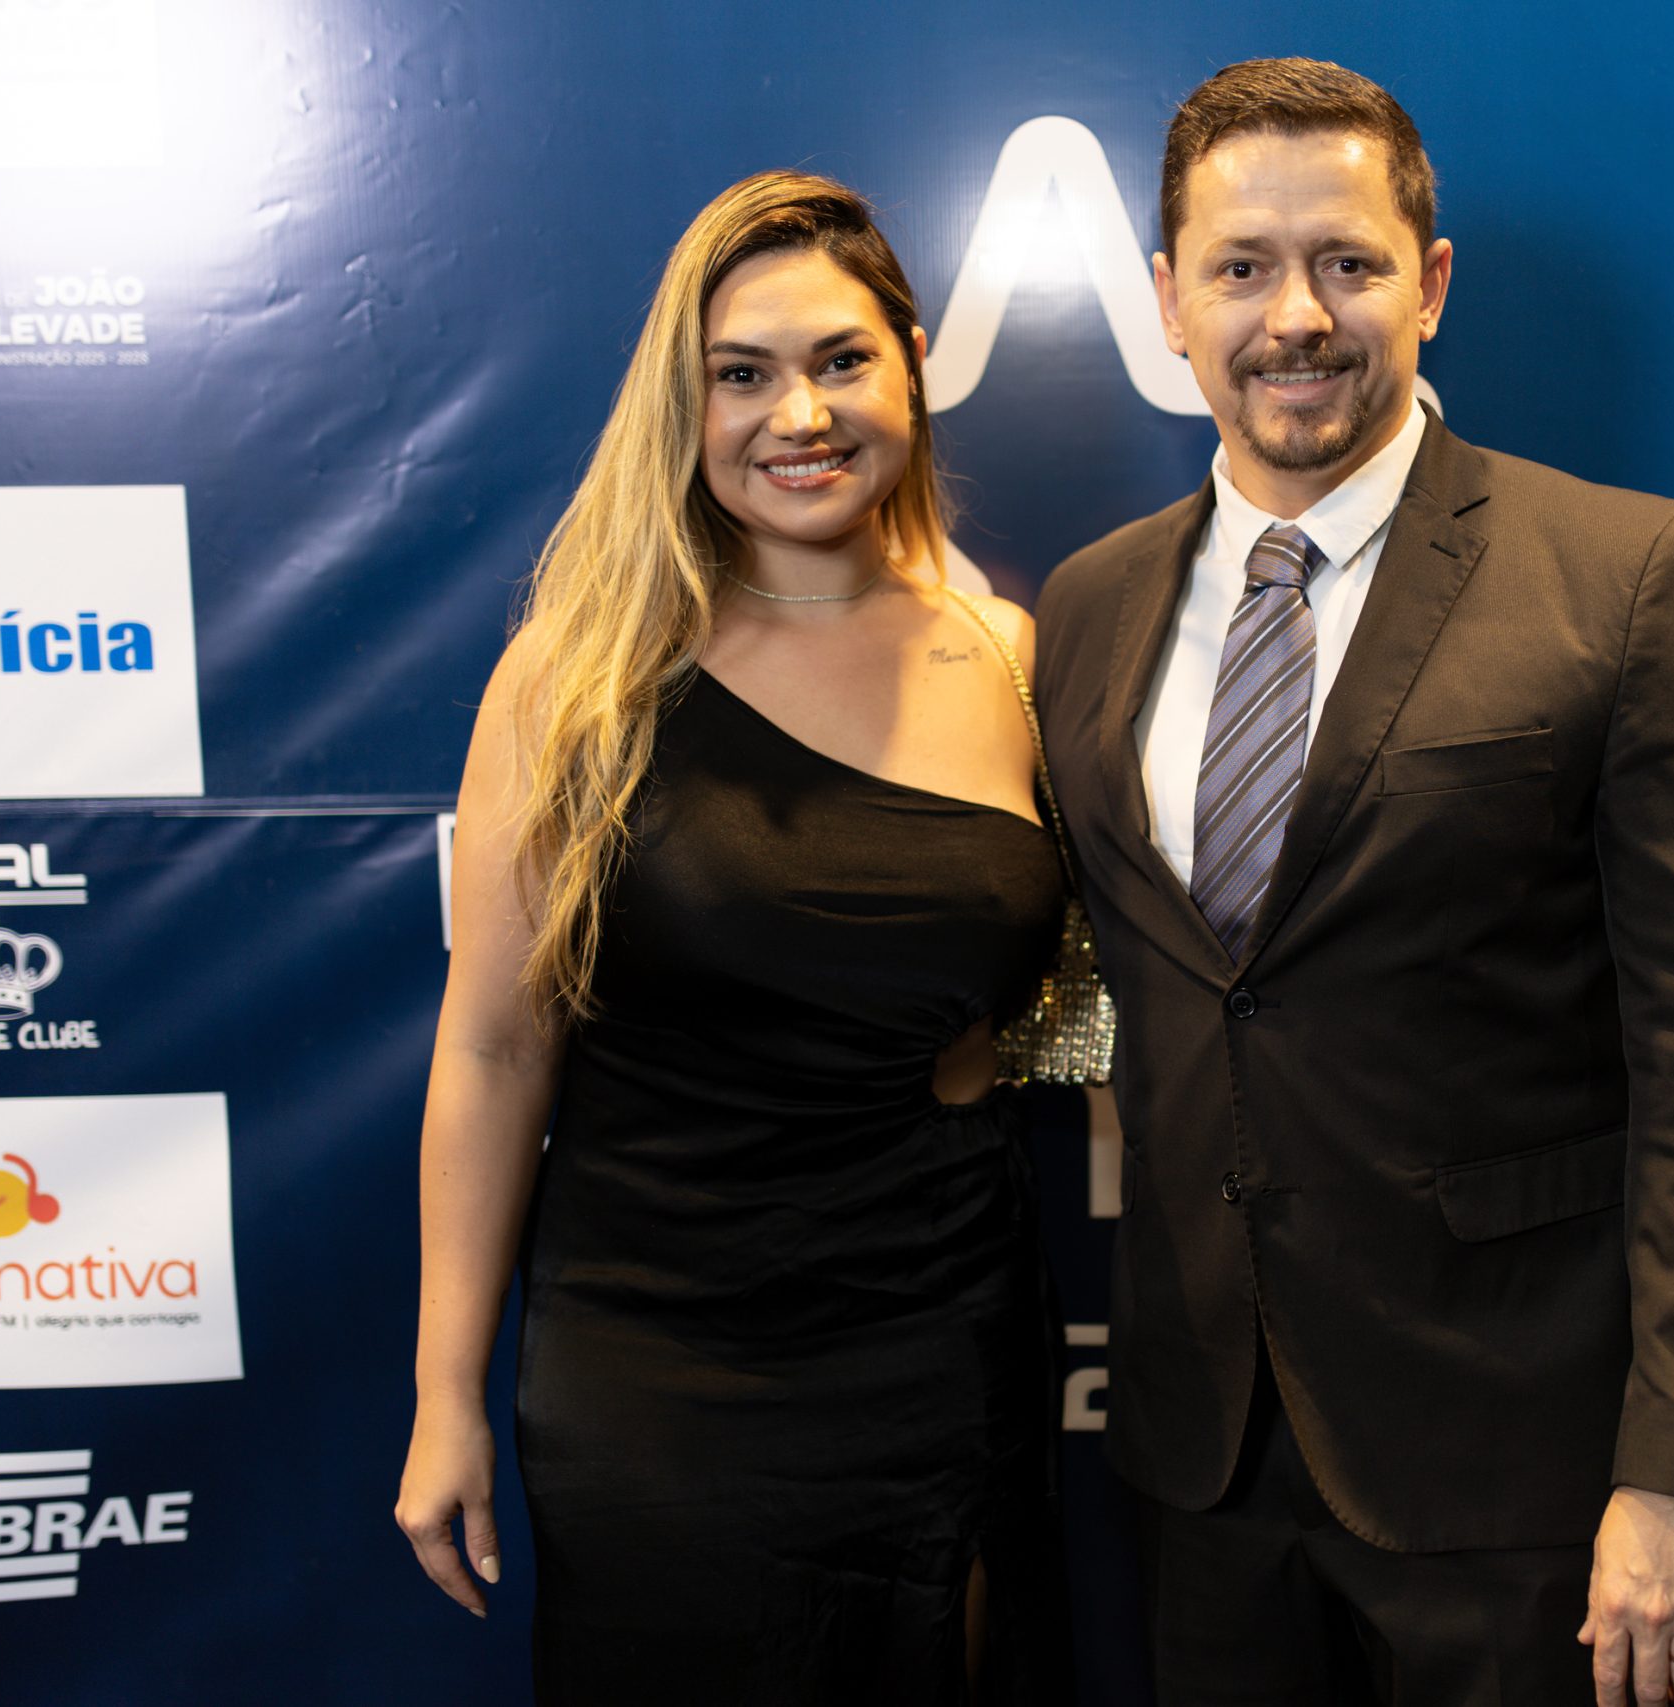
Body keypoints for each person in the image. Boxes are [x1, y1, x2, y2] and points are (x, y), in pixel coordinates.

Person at [1033, 59, 1674, 1707]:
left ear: (1431, 284)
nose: (1296, 318)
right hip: (1200, 1465)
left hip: (1525, 1476)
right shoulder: (1087, 610)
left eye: (1349, 263)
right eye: (1241, 268)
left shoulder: (1623, 575)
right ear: (1167, 301)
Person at [393, 171, 1072, 1705]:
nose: (799, 415)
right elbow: (493, 1051)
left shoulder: (1010, 657)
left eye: (841, 360)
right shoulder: (577, 680)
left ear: (911, 368)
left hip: (940, 1338)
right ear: (682, 408)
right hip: (659, 1361)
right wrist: (446, 1395)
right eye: (742, 375)